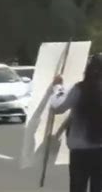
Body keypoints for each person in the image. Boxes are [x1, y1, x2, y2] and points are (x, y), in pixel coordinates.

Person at [50, 54, 102, 192]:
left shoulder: (80, 88)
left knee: (78, 188)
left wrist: (58, 87)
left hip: (80, 151)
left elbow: (58, 107)